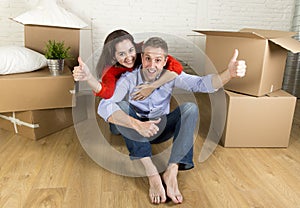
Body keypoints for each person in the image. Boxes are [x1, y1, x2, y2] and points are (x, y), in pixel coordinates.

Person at [97, 37, 246, 204]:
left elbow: (202, 84)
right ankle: (152, 173)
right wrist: (137, 124)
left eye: (158, 60)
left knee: (190, 108)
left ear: (165, 61)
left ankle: (172, 171)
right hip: (131, 128)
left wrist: (229, 74)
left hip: (159, 128)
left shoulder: (171, 76)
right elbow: (104, 105)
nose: (152, 65)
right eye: (147, 59)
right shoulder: (129, 78)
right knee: (122, 106)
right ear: (142, 57)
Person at [72, 29, 183, 100]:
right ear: (114, 56)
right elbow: (107, 92)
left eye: (131, 50)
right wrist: (89, 77)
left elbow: (176, 66)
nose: (129, 58)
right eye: (121, 54)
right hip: (126, 100)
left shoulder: (144, 51)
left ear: (135, 47)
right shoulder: (111, 70)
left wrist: (152, 87)